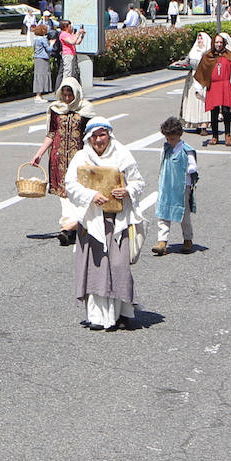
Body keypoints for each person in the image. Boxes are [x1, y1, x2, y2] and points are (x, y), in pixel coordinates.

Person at [64, 118, 145, 330]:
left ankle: (122, 312)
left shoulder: (122, 153)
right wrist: (91, 195)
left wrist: (126, 190)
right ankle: (97, 317)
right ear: (88, 138)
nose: (99, 140)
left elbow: (138, 181)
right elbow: (70, 184)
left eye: (102, 135)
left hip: (116, 220)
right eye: (94, 136)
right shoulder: (82, 157)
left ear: (109, 134)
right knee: (96, 267)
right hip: (92, 220)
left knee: (118, 265)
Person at [30, 77, 95, 245]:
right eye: (64, 94)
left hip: (79, 159)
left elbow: (91, 136)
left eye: (70, 94)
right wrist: (40, 153)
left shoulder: (85, 109)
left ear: (76, 94)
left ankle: (73, 226)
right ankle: (67, 229)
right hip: (58, 158)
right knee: (64, 195)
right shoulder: (55, 109)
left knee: (77, 193)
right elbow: (51, 133)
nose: (67, 98)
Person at [153, 116, 197, 256]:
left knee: (183, 214)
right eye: (167, 138)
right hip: (167, 186)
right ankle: (162, 241)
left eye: (172, 138)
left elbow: (193, 167)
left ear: (179, 135)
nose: (170, 141)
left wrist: (185, 169)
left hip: (182, 187)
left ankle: (187, 239)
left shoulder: (186, 150)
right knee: (163, 212)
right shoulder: (166, 148)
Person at [200, 34, 231, 146]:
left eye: (220, 42)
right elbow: (203, 71)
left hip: (225, 84)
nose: (218, 44)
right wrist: (200, 87)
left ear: (223, 44)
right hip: (213, 86)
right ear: (213, 43)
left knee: (227, 111)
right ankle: (215, 136)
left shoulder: (228, 55)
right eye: (216, 42)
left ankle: (227, 135)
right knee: (214, 112)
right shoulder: (208, 55)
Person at [57, 20, 84, 87]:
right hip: (67, 54)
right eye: (69, 26)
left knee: (73, 71)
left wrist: (82, 36)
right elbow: (72, 41)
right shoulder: (63, 34)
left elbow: (77, 42)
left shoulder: (69, 34)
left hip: (73, 54)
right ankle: (64, 86)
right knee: (67, 72)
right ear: (65, 27)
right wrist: (78, 33)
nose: (71, 27)